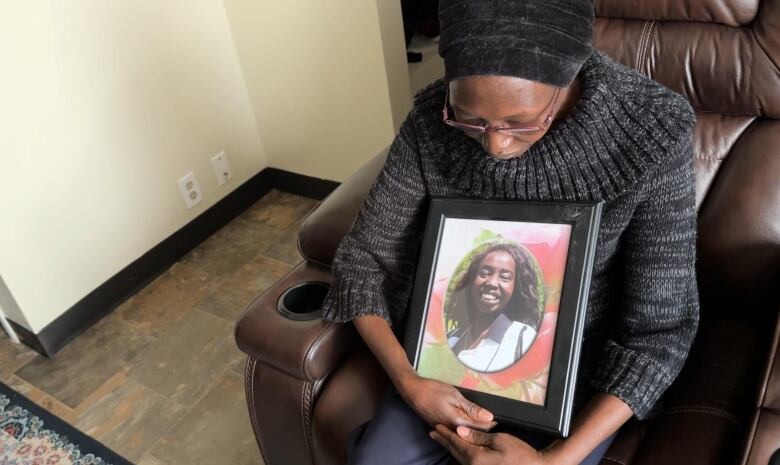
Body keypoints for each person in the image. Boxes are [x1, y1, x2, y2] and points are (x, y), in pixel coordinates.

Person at [320, 0, 700, 464]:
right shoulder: (430, 120)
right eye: (471, 119)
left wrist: (555, 461)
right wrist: (409, 380)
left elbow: (657, 334)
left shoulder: (653, 130)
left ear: (571, 74)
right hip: (446, 366)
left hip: (578, 382)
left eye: (521, 123)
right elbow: (363, 261)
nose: (495, 146)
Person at [446, 242, 541, 372]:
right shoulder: (452, 338)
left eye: (505, 277)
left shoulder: (524, 339)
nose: (491, 282)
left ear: (516, 288)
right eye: (485, 273)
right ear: (472, 280)